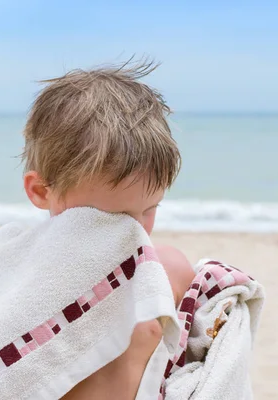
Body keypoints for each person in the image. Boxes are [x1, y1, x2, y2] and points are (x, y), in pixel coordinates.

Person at [20, 60, 195, 399]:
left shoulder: (168, 273)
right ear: (41, 192)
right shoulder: (17, 288)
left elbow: (197, 365)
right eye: (109, 219)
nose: (132, 232)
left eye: (148, 210)